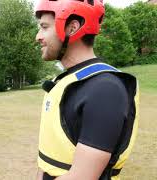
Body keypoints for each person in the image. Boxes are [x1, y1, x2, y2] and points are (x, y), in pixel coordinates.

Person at [34, 0, 139, 180]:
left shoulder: (105, 89)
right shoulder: (68, 81)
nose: (38, 36)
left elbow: (82, 177)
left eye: (44, 27)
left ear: (72, 28)